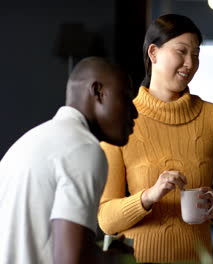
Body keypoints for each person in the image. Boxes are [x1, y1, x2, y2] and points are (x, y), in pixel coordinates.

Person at [97, 14, 213, 263]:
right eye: (181, 52)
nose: (190, 63)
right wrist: (149, 196)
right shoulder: (120, 120)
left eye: (196, 55)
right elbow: (107, 220)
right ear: (153, 53)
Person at [0, 57, 138, 263]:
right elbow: (70, 259)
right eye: (126, 98)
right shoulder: (84, 148)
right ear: (98, 92)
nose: (134, 113)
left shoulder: (25, 143)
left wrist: (100, 254)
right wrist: (114, 260)